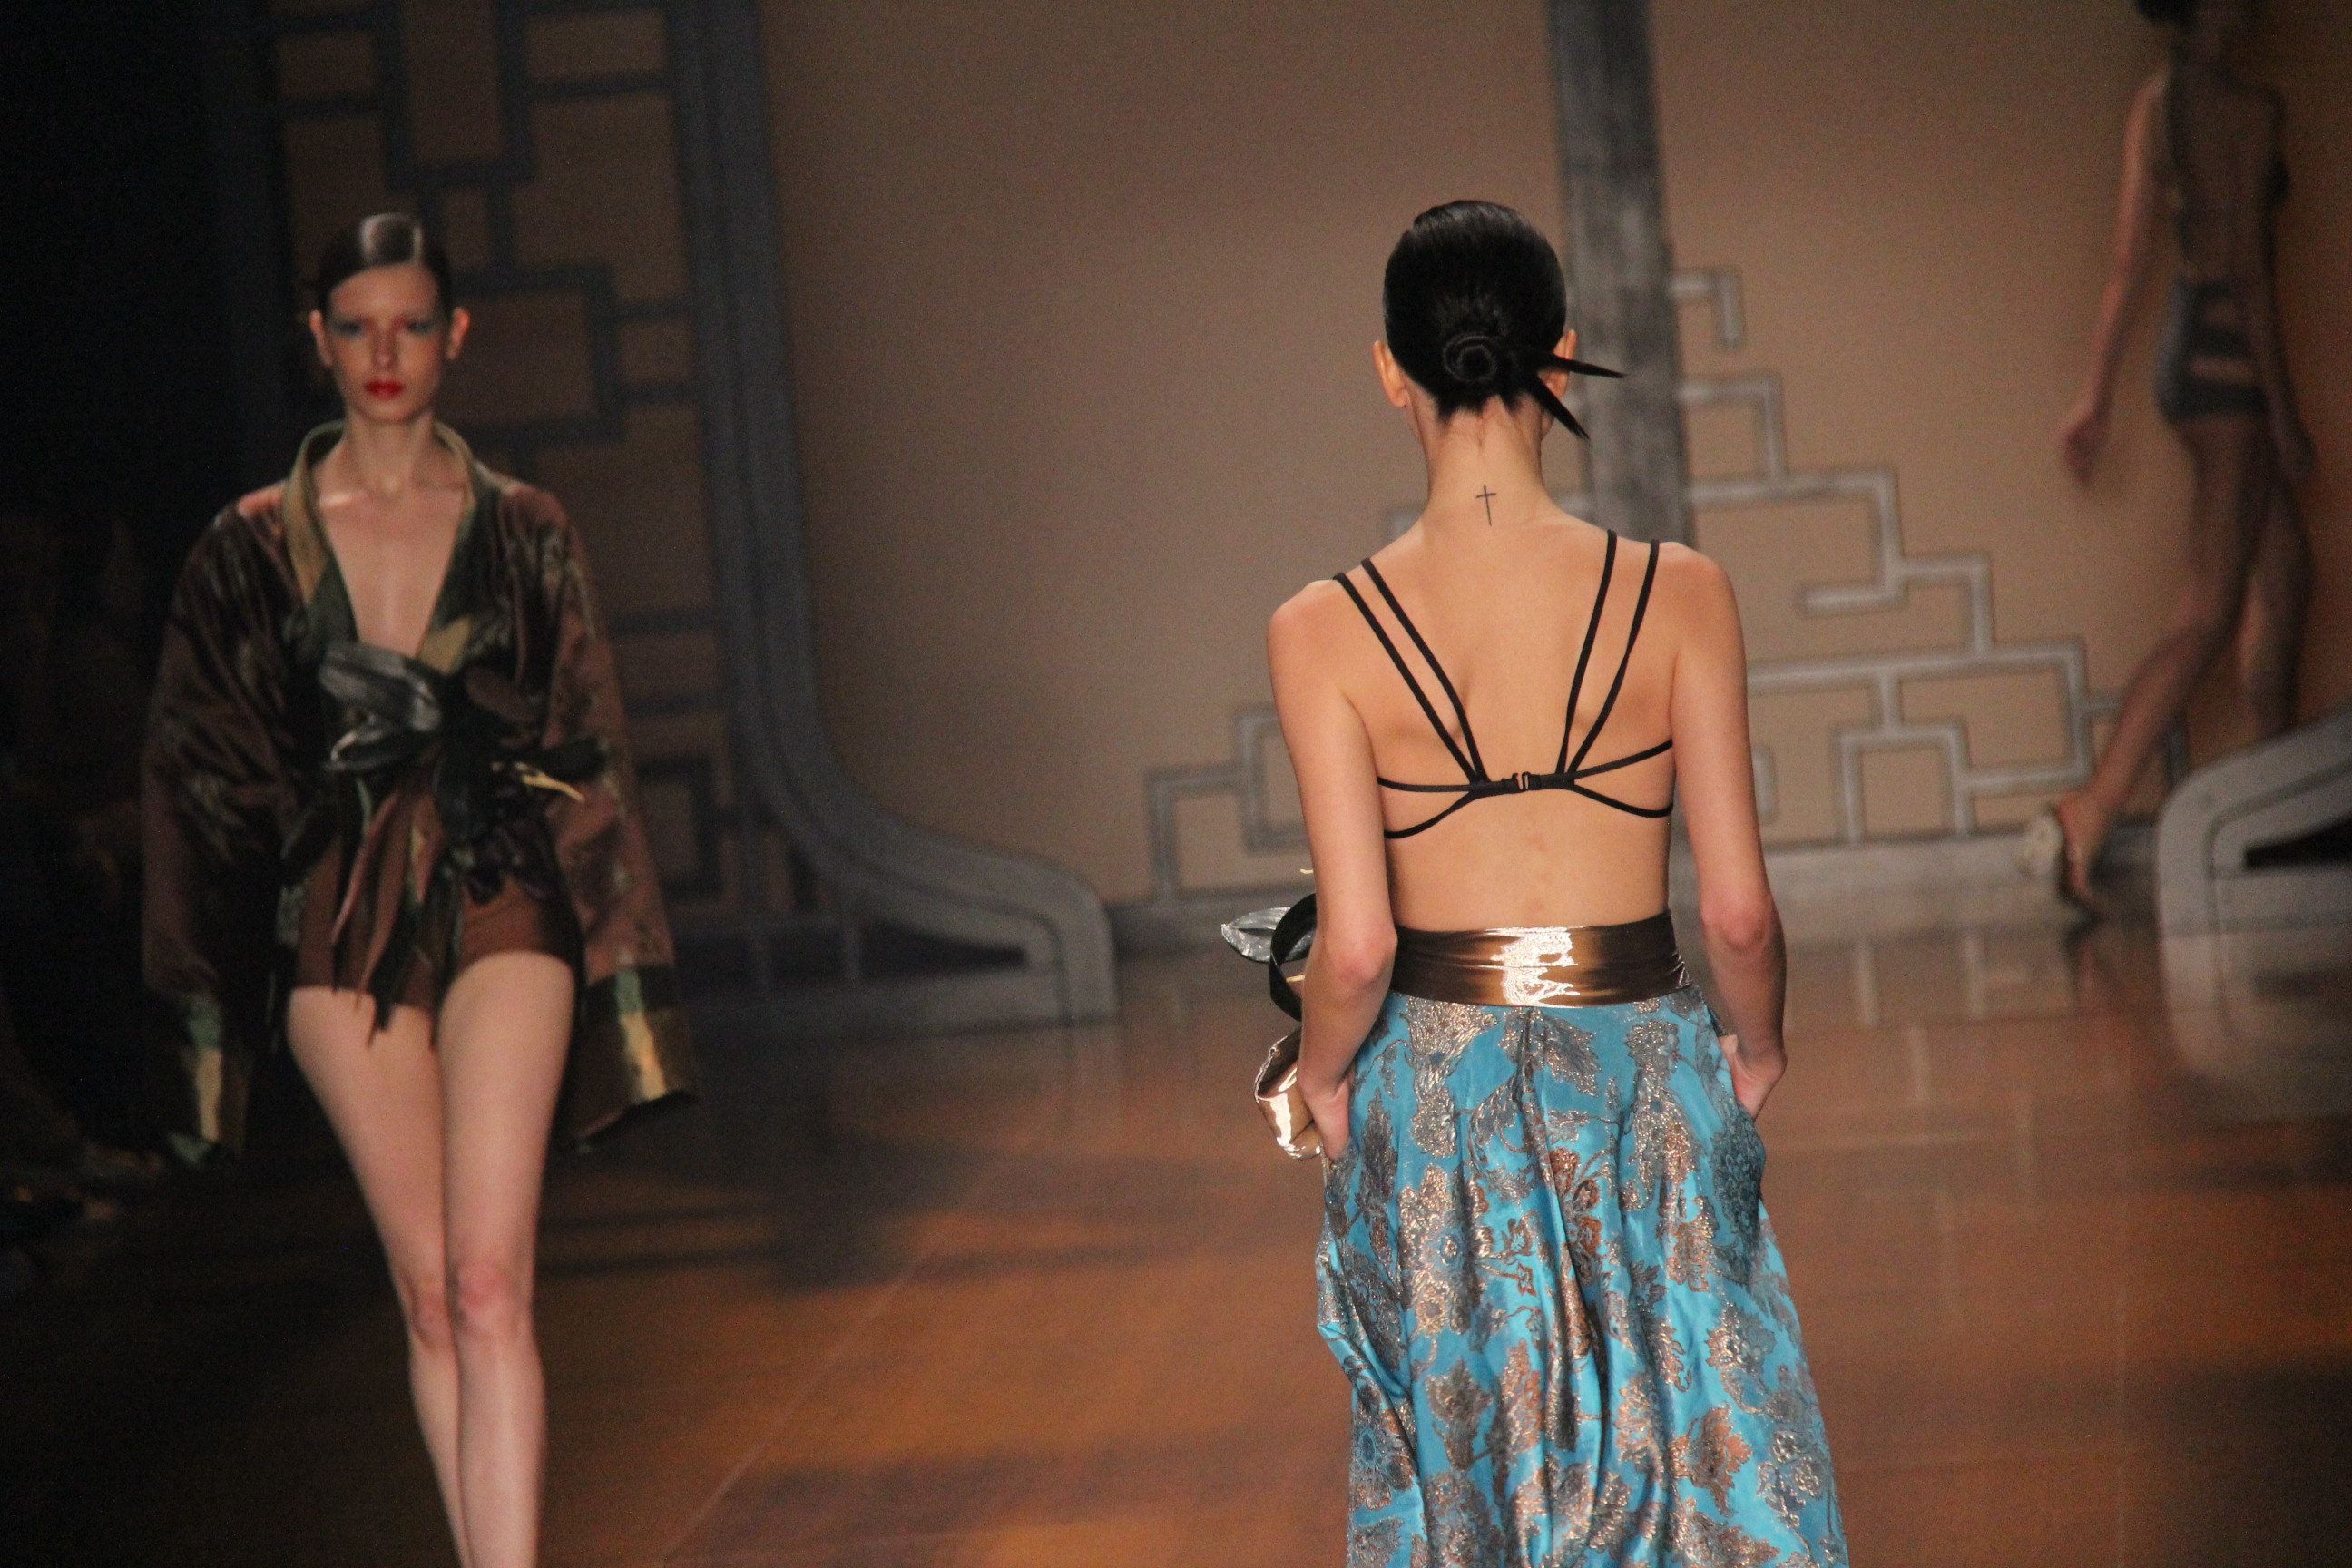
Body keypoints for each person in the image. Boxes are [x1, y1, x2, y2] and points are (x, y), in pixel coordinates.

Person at [1269, 201, 1843, 1565]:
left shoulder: (1323, 629)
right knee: (1700, 1463)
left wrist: (1322, 1079)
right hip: (1646, 1069)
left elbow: (1356, 949)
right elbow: (1738, 913)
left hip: (1440, 1093)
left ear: (1390, 369)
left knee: (1485, 1486)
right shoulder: (1678, 591)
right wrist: (1756, 1048)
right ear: (1562, 350)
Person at [143, 213, 696, 1568]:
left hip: (501, 882)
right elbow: (202, 775)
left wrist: (623, 967)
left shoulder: (524, 529)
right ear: (316, 340)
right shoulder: (247, 546)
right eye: (355, 327)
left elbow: (589, 745)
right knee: (433, 1294)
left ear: (455, 336)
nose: (382, 354)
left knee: (492, 1277)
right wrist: (209, 1007)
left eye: (409, 325)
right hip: (336, 916)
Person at [2039, 0, 2312, 912]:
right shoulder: (2251, 110)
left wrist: (2097, 395)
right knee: (2209, 608)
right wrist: (2285, 415)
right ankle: (2092, 808)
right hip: (2234, 363)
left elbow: (2131, 259)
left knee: (2287, 574)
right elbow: (2250, 273)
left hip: (2183, 351)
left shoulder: (2159, 100)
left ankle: (2279, 806)